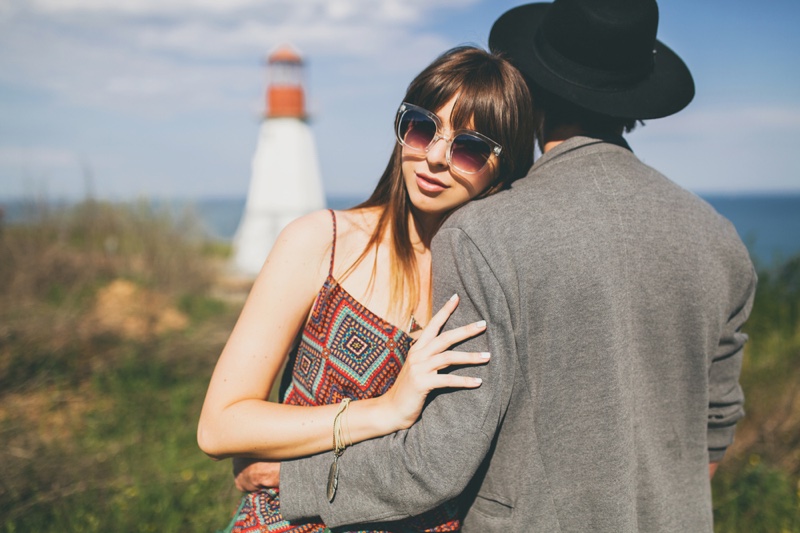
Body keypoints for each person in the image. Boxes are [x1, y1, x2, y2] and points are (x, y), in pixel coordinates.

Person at [273, 1, 757, 532]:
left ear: (531, 90)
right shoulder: (719, 240)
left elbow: (439, 462)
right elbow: (715, 428)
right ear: (634, 101)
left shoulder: (485, 233)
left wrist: (296, 479)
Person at [197, 45, 535, 532]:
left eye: (469, 147)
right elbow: (220, 425)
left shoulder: (497, 283)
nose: (435, 158)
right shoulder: (323, 241)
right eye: (422, 127)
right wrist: (384, 411)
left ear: (503, 166)